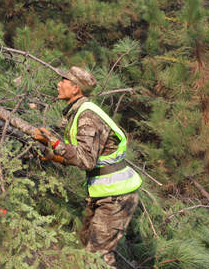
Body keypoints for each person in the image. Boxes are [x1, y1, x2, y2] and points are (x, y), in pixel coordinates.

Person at [34, 67, 142, 268]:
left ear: (75, 88)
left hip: (116, 197)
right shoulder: (78, 112)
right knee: (86, 246)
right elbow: (81, 154)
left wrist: (54, 142)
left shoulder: (87, 116)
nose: (58, 83)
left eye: (63, 80)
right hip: (106, 194)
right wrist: (54, 157)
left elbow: (86, 160)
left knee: (97, 257)